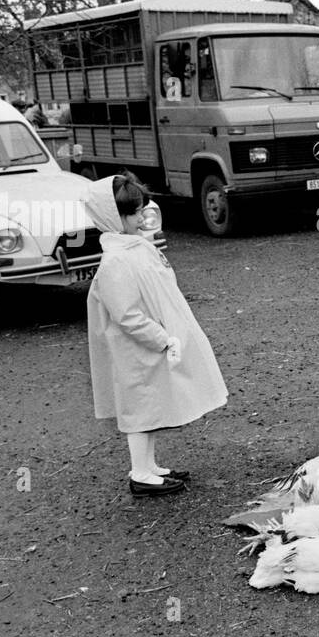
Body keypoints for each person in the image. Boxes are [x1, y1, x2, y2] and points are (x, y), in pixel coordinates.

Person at [86, 172, 228, 496]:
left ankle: (149, 466)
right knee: (139, 408)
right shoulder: (115, 261)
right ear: (113, 217)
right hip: (136, 349)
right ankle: (140, 473)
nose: (141, 217)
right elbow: (127, 316)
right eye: (132, 213)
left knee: (150, 406)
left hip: (147, 345)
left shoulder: (134, 248)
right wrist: (161, 337)